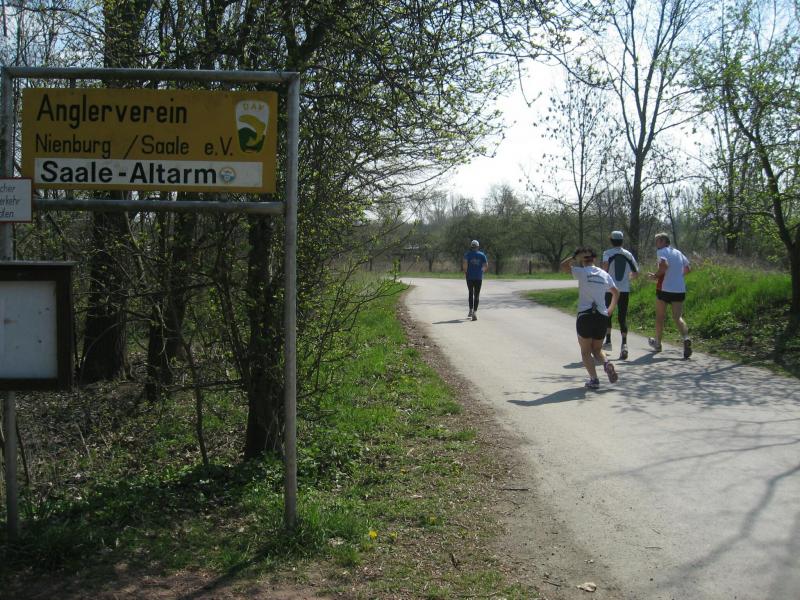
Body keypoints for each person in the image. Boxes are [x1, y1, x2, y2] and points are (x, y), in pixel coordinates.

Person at [561, 247, 620, 389]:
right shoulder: (604, 274)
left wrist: (575, 256)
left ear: (582, 260)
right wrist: (610, 309)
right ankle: (606, 363)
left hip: (585, 316)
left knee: (586, 351)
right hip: (602, 316)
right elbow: (616, 292)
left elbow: (563, 266)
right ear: (595, 259)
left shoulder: (581, 272)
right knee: (597, 349)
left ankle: (594, 379)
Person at [647, 232, 692, 359]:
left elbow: (664, 265)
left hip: (664, 289)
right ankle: (686, 338)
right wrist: (677, 277)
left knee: (660, 317)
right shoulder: (678, 252)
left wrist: (656, 275)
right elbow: (688, 268)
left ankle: (658, 344)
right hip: (679, 289)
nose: (656, 243)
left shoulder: (661, 251)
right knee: (678, 317)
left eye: (657, 241)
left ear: (663, 241)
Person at [602, 230, 639, 360]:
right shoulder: (628, 254)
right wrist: (628, 279)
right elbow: (636, 272)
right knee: (622, 317)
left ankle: (608, 341)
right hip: (624, 290)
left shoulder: (607, 253)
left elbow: (605, 268)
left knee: (608, 313)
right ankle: (624, 345)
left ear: (611, 241)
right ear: (622, 241)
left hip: (610, 289)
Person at [462, 239, 488, 321]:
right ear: (478, 246)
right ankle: (475, 312)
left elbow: (465, 264)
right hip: (478, 277)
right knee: (476, 295)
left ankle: (470, 310)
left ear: (471, 246)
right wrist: (481, 271)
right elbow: (486, 265)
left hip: (469, 277)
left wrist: (466, 272)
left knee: (470, 293)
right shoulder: (482, 255)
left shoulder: (467, 254)